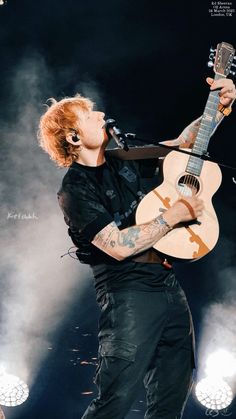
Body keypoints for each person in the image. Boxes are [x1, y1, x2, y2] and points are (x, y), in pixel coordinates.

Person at [38, 77, 235, 419]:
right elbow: (114, 245)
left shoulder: (124, 160)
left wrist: (217, 109)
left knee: (172, 394)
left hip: (167, 283)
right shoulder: (74, 189)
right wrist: (170, 218)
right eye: (89, 115)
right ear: (73, 137)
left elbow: (183, 146)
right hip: (126, 290)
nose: (100, 115)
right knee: (115, 400)